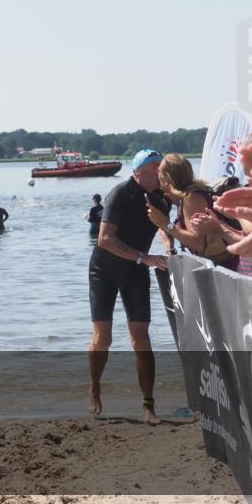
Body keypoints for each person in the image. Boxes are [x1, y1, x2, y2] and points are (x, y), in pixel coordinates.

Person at [87, 149, 171, 425]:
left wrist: (168, 248)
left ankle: (148, 404)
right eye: (155, 166)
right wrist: (144, 257)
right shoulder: (120, 192)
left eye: (162, 165)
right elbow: (105, 239)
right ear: (139, 172)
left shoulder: (162, 197)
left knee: (141, 338)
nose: (161, 171)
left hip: (135, 271)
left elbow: (163, 226)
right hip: (104, 270)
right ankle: (95, 386)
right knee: (104, 338)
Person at [146, 153, 239, 270]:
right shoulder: (189, 196)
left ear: (167, 179)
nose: (156, 174)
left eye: (159, 171)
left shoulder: (192, 199)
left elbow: (198, 244)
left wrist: (165, 224)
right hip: (222, 264)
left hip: (230, 265)